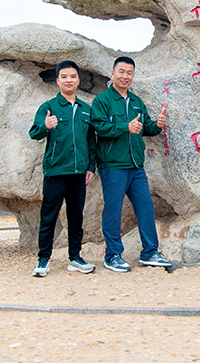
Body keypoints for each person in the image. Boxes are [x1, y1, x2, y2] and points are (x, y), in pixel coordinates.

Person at [90, 56, 171, 272]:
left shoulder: (136, 101)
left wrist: (157, 125)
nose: (125, 76)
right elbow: (99, 127)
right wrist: (125, 127)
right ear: (113, 73)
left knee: (145, 206)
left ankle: (150, 252)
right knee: (113, 210)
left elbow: (146, 128)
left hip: (136, 166)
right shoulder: (102, 101)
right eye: (121, 71)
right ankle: (113, 255)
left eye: (129, 73)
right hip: (113, 165)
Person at [28, 61, 98, 278]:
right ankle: (43, 259)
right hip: (55, 171)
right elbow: (34, 133)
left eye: (73, 76)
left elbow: (91, 140)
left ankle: (75, 258)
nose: (69, 80)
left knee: (76, 218)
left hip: (78, 173)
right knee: (48, 216)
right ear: (58, 80)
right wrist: (46, 126)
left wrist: (91, 167)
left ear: (78, 80)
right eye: (64, 77)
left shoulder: (85, 109)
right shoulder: (49, 107)